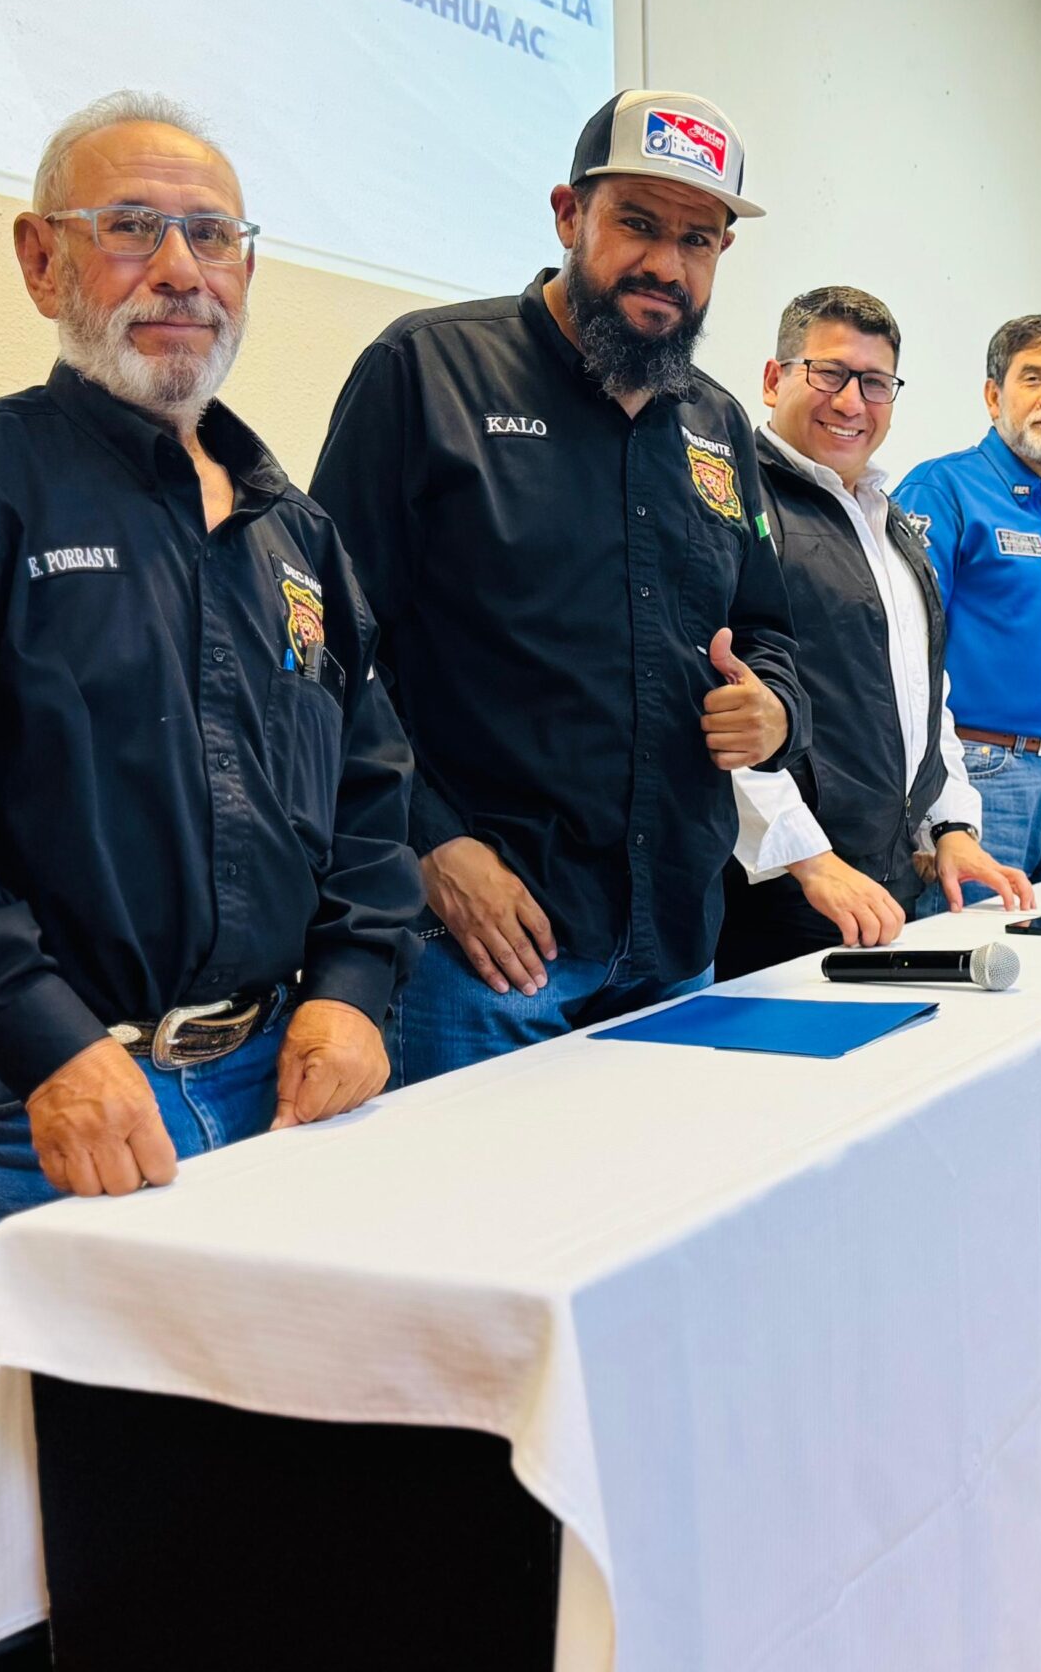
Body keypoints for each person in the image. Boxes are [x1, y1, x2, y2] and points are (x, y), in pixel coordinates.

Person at [0, 93, 420, 1322]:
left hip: (278, 1091)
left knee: (261, 1436)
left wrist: (353, 986)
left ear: (248, 271)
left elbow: (369, 785)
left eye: (213, 236)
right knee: (28, 1452)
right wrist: (49, 1043)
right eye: (131, 227)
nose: (181, 270)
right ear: (43, 261)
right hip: (31, 1112)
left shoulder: (293, 532)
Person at [312, 90, 807, 1075]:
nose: (666, 264)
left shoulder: (716, 424)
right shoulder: (426, 372)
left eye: (697, 241)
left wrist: (776, 711)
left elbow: (768, 631)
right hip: (481, 957)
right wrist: (429, 844)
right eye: (638, 224)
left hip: (675, 941)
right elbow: (326, 649)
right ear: (568, 214)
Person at [719, 288, 1037, 977]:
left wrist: (950, 827)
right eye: (828, 373)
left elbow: (926, 694)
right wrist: (809, 858)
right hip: (775, 896)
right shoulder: (733, 502)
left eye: (874, 382)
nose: (850, 402)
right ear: (773, 379)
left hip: (882, 889)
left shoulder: (888, 522)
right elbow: (716, 706)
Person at [891, 315, 1041, 900]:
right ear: (994, 397)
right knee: (973, 951)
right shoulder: (943, 489)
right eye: (1033, 378)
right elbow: (902, 647)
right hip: (981, 774)